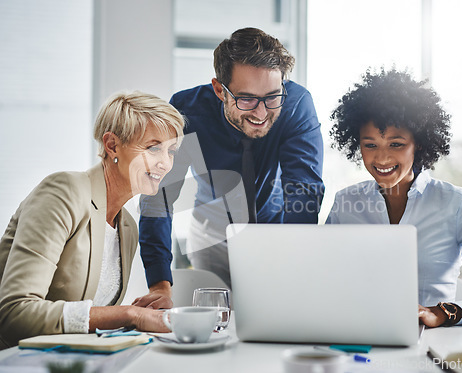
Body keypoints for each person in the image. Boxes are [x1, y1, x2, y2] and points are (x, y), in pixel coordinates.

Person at [135, 27, 324, 306]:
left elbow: (303, 191)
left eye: (272, 96)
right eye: (246, 99)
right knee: (217, 322)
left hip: (275, 228)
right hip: (211, 233)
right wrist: (159, 283)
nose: (261, 113)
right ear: (219, 90)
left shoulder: (295, 105)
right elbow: (158, 197)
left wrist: (293, 263)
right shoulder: (186, 110)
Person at [0, 91, 184, 348]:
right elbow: (14, 313)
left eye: (171, 151)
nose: (165, 163)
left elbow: (89, 323)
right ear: (112, 145)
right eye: (153, 148)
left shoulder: (127, 226)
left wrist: (140, 314)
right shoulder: (63, 191)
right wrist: (130, 315)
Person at [327, 68, 462, 327]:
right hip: (356, 337)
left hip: (430, 345)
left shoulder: (457, 204)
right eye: (370, 145)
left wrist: (444, 313)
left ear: (418, 142)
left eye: (396, 144)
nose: (382, 159)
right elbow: (322, 282)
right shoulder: (345, 203)